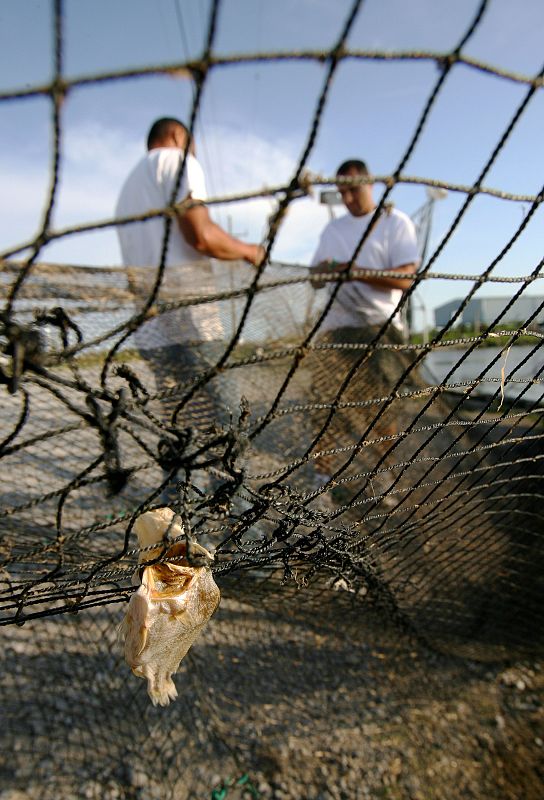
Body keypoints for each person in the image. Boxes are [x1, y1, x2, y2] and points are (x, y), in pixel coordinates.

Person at [115, 117, 264, 493]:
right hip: (192, 319)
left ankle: (176, 531)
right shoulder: (177, 162)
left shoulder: (128, 187)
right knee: (226, 423)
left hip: (151, 327)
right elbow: (199, 235)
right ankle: (241, 533)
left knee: (179, 428)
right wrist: (249, 251)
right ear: (177, 136)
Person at [308, 159, 421, 505]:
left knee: (382, 411)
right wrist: (327, 270)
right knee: (325, 408)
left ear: (369, 184)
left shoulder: (394, 223)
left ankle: (386, 477)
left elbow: (406, 277)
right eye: (341, 192)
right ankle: (321, 480)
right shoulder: (332, 231)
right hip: (335, 330)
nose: (347, 199)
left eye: (353, 190)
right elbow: (314, 277)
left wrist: (355, 272)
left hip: (380, 330)